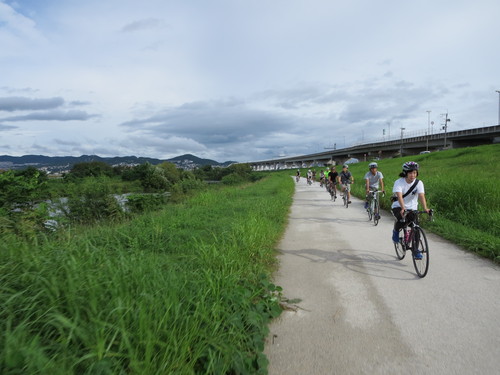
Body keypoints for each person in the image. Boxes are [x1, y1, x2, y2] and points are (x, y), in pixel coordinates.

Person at [391, 161, 430, 259]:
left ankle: (416, 250)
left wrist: (425, 208)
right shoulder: (399, 182)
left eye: (415, 173)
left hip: (412, 208)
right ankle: (396, 231)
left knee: (416, 228)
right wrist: (403, 207)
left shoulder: (419, 183)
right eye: (410, 173)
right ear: (405, 173)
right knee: (402, 219)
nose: (413, 175)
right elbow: (399, 196)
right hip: (398, 206)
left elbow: (421, 196)